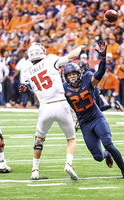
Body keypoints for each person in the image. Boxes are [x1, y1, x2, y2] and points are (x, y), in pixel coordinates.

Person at [63, 40, 124, 180]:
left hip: (96, 117)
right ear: (66, 77)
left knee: (109, 144)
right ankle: (107, 155)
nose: (72, 76)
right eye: (69, 75)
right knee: (98, 157)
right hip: (84, 124)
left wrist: (102, 58)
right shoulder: (63, 89)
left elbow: (100, 73)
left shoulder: (88, 79)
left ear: (79, 73)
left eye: (74, 74)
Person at [22, 42, 86, 180]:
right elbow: (72, 56)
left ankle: (35, 170)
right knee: (71, 138)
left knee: (39, 139)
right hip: (61, 105)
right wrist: (80, 47)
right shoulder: (50, 59)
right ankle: (68, 164)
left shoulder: (27, 73)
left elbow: (36, 95)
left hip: (45, 107)